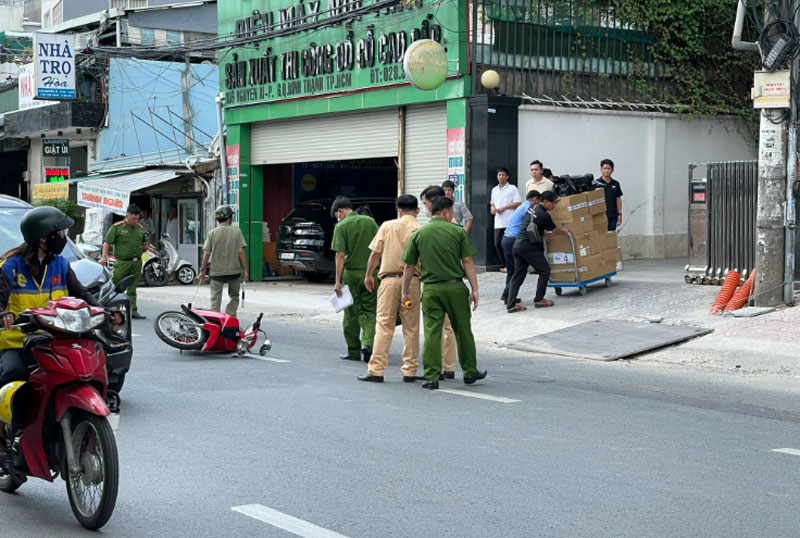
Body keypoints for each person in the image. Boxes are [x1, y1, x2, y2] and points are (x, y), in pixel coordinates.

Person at [0, 207, 102, 456]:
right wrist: (3, 313)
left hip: (55, 339)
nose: (64, 237)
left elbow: (81, 294)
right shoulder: (10, 266)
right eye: (60, 232)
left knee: (92, 363)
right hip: (17, 341)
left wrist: (102, 310)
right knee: (12, 376)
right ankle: (3, 438)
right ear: (43, 237)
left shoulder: (60, 265)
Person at [401, 196, 487, 390]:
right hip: (455, 288)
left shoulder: (419, 234)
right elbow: (468, 261)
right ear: (447, 212)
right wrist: (475, 289)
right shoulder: (457, 232)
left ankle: (432, 376)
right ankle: (469, 372)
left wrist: (405, 291)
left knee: (432, 332)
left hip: (430, 289)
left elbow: (408, 266)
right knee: (463, 330)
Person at [358, 195, 422, 383]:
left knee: (384, 326)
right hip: (412, 283)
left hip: (388, 280)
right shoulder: (419, 229)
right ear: (417, 211)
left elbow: (375, 254)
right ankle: (409, 371)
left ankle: (376, 369)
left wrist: (368, 275)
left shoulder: (387, 226)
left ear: (399, 210)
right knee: (411, 328)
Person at [331, 196, 379, 363]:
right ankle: (368, 344)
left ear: (340, 211)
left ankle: (353, 350)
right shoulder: (370, 222)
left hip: (351, 275)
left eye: (337, 214)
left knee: (351, 313)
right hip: (371, 274)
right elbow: (378, 248)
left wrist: (337, 281)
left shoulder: (341, 226)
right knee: (369, 311)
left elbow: (339, 255)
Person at [505, 191, 567, 312]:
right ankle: (539, 299)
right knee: (545, 270)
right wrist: (565, 231)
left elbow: (534, 223)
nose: (554, 206)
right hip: (528, 247)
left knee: (518, 275)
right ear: (544, 202)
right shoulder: (544, 215)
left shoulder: (532, 207)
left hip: (517, 245)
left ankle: (511, 304)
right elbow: (555, 230)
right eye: (552, 203)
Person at [420, 186, 458, 380]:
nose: (425, 208)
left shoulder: (435, 226)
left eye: (426, 203)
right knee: (447, 327)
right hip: (451, 281)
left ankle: (439, 369)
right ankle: (448, 366)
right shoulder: (454, 224)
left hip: (434, 281)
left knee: (434, 327)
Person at [199, 205, 248, 318]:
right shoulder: (237, 232)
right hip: (234, 271)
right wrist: (245, 269)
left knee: (215, 299)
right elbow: (240, 251)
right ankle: (229, 319)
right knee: (234, 297)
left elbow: (207, 253)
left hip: (216, 272)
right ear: (229, 218)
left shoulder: (212, 233)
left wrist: (202, 270)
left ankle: (215, 322)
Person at [101, 204, 148, 319]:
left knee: (133, 287)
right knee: (115, 285)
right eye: (133, 218)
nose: (135, 221)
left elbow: (144, 244)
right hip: (122, 262)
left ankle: (132, 310)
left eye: (137, 218)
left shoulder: (140, 229)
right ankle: (110, 308)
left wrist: (143, 249)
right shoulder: (117, 227)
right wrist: (104, 257)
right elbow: (107, 242)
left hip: (136, 263)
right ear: (127, 216)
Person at [500, 190, 540, 302]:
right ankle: (509, 296)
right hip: (513, 240)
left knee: (512, 269)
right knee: (518, 270)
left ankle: (507, 294)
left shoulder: (523, 206)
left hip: (506, 238)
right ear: (535, 199)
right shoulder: (529, 208)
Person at [490, 167, 522, 272]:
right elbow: (492, 203)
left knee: (509, 244)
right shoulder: (494, 190)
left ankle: (512, 266)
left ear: (507, 176)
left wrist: (504, 208)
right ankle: (505, 265)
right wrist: (493, 208)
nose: (501, 177)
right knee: (497, 244)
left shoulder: (512, 188)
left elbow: (518, 203)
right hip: (498, 222)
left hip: (509, 222)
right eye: (499, 175)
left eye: (503, 175)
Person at [595, 158, 623, 231]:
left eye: (608, 168)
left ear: (612, 170)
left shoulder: (616, 184)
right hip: (600, 216)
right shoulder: (596, 184)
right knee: (601, 237)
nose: (606, 171)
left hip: (613, 216)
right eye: (604, 168)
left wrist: (619, 214)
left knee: (611, 237)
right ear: (601, 169)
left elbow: (618, 199)